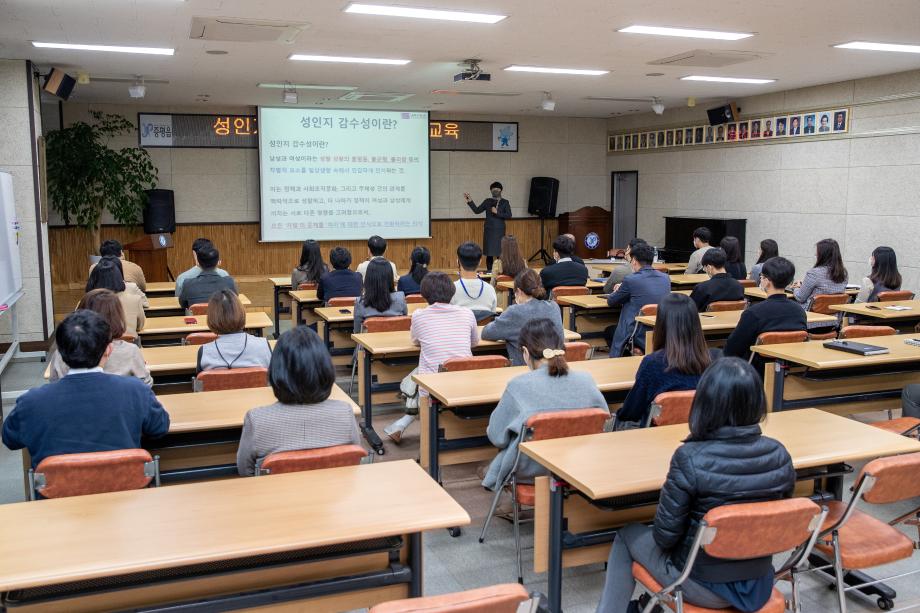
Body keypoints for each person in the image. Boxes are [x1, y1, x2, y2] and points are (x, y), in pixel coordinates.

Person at [597, 358, 795, 613]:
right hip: (759, 581)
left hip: (701, 585)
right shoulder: (779, 455)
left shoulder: (689, 458)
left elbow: (664, 538)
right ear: (758, 401)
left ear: (705, 402)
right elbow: (776, 521)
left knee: (627, 534)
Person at [2, 310, 170, 469]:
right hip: (126, 487)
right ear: (109, 349)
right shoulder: (136, 391)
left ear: (60, 353)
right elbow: (159, 427)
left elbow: (10, 439)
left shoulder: (32, 402)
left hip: (58, 490)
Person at [482, 318, 608, 490]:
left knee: (489, 468)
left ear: (525, 352)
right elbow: (603, 423)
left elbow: (497, 437)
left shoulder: (518, 385)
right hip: (580, 465)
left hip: (530, 470)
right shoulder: (586, 380)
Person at [235, 326, 362, 476]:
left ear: (277, 370)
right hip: (332, 489)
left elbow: (245, 471)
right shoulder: (345, 413)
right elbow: (354, 461)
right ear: (325, 367)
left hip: (277, 490)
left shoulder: (257, 420)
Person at [384, 272, 478, 443]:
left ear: (424, 294)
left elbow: (415, 341)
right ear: (452, 291)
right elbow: (474, 343)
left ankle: (404, 423)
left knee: (420, 372)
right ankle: (401, 424)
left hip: (433, 385)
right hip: (465, 379)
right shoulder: (467, 313)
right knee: (424, 370)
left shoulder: (419, 315)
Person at [614, 294, 714, 428]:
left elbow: (631, 412)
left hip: (657, 435)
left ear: (661, 323)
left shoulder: (653, 363)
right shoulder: (712, 359)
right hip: (698, 431)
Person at [48, 289, 152, 386]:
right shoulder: (131, 352)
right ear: (118, 316)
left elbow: (54, 384)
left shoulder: (61, 354)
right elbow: (145, 384)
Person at [723, 257, 806, 367]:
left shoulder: (753, 313)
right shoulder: (800, 312)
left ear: (767, 281)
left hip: (755, 370)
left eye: (761, 276)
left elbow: (731, 350)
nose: (760, 279)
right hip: (788, 367)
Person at [482, 269, 563, 366]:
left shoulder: (514, 312)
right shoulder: (554, 307)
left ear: (519, 291)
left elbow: (487, 333)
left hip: (525, 368)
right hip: (554, 368)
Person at [606, 243, 671, 357]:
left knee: (609, 331)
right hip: (660, 330)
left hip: (635, 331)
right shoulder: (665, 278)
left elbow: (611, 301)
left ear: (634, 261)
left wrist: (619, 289)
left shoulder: (631, 279)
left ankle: (625, 358)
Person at [197, 289, 272, 372]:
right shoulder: (263, 346)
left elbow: (200, 379)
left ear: (212, 318)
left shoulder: (204, 352)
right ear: (241, 313)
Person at [85, 256, 147, 338]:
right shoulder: (135, 300)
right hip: (129, 343)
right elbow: (140, 326)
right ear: (119, 277)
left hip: (98, 344)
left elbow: (82, 327)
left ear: (93, 279)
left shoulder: (86, 300)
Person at [464, 182, 512, 271]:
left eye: (497, 189)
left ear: (501, 190)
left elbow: (509, 215)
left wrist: (497, 212)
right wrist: (470, 201)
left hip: (500, 231)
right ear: (491, 191)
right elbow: (477, 210)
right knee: (489, 253)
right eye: (493, 189)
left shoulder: (505, 202)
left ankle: (500, 273)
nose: (495, 191)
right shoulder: (487, 201)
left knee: (500, 253)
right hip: (489, 231)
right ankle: (489, 273)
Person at [792, 238, 848, 312]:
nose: (815, 254)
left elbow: (800, 297)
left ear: (823, 255)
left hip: (811, 314)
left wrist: (796, 288)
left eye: (817, 252)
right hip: (834, 315)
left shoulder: (814, 273)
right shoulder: (843, 273)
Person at [353, 259, 408, 333]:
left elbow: (357, 332)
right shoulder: (400, 298)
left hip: (369, 340)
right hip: (396, 339)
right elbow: (404, 324)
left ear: (368, 278)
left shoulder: (360, 302)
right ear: (390, 277)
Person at [178, 246, 238, 310]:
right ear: (218, 262)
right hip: (221, 316)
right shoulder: (229, 282)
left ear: (198, 262)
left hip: (198, 316)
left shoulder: (188, 284)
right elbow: (234, 301)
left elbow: (183, 305)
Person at [451, 241, 498, 321]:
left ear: (458, 261)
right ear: (480, 262)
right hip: (485, 329)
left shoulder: (451, 289)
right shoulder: (490, 289)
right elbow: (492, 317)